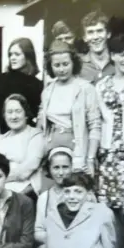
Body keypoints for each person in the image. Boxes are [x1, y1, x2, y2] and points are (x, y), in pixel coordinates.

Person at [93, 33, 124, 248]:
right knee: (108, 212)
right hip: (108, 155)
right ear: (112, 55)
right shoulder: (101, 85)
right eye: (120, 53)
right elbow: (97, 120)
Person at [38, 40, 97, 176]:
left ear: (73, 63)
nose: (62, 69)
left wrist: (90, 159)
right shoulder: (47, 91)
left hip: (77, 149)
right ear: (50, 66)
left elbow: (94, 126)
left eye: (65, 64)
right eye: (57, 65)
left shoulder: (85, 88)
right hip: (52, 151)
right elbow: (42, 126)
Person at [38, 172, 118, 248]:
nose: (72, 196)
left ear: (88, 193)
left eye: (78, 192)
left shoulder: (101, 213)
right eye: (67, 191)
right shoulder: (53, 214)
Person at [0, 37, 43, 134]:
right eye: (10, 54)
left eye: (17, 54)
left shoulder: (38, 85)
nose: (12, 58)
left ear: (28, 56)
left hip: (26, 137)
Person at [0, 94, 45, 201]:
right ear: (4, 115)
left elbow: (26, 170)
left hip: (25, 189)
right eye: (9, 112)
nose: (14, 116)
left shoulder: (35, 136)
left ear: (26, 114)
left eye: (18, 111)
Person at [78, 10, 115, 86]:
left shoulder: (119, 62)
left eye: (99, 31)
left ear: (108, 34)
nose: (95, 37)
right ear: (84, 38)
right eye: (90, 32)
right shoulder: (78, 66)